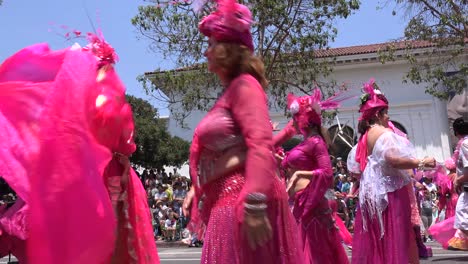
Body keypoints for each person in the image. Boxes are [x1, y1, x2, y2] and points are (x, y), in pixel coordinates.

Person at [0, 34, 159, 263]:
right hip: (107, 177)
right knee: (109, 245)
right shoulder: (103, 101)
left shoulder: (78, 104)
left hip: (101, 177)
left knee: (97, 243)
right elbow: (124, 142)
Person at [182, 1, 303, 263]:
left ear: (229, 49)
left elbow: (260, 145)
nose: (207, 52)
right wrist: (198, 187)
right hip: (225, 199)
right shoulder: (231, 91)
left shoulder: (245, 87)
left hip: (240, 198)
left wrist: (255, 204)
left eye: (213, 44)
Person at [351, 79, 436, 264]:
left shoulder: (366, 136)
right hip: (390, 194)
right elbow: (393, 159)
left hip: (373, 194)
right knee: (394, 238)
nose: (388, 117)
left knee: (379, 239)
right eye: (385, 113)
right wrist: (422, 162)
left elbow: (361, 167)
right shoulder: (384, 134)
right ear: (378, 114)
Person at [276, 91, 350, 264]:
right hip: (299, 203)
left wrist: (301, 174)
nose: (292, 120)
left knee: (315, 255)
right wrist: (282, 160)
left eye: (295, 116)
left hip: (312, 205)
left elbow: (327, 173)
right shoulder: (305, 142)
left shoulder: (316, 142)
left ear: (304, 119)